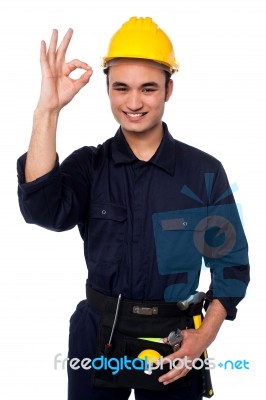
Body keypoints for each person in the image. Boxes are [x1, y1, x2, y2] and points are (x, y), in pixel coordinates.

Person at [17, 16, 250, 400]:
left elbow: (232, 267)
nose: (134, 102)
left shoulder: (204, 173)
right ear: (107, 89)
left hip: (175, 342)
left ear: (168, 89)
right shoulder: (89, 166)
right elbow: (42, 210)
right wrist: (48, 110)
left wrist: (203, 337)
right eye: (121, 88)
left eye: (149, 88)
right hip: (97, 337)